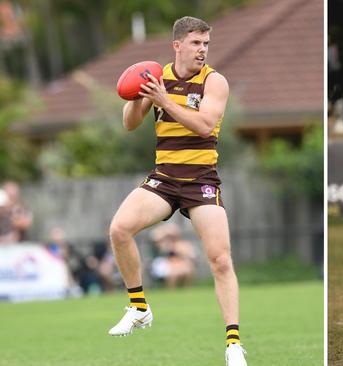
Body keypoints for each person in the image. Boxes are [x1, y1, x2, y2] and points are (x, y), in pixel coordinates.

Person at [107, 16, 247, 366]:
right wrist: (143, 96)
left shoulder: (215, 82)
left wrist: (166, 101)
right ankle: (139, 308)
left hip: (201, 179)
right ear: (177, 45)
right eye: (196, 43)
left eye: (206, 44)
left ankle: (233, 345)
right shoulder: (157, 78)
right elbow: (129, 124)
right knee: (119, 230)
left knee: (221, 259)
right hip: (165, 177)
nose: (202, 50)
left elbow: (203, 126)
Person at [149, 222, 197, 288]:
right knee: (173, 273)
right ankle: (172, 290)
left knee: (188, 268)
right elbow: (154, 237)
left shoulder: (182, 244)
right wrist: (166, 231)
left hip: (180, 263)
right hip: (167, 264)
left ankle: (187, 289)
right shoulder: (163, 244)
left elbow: (192, 255)